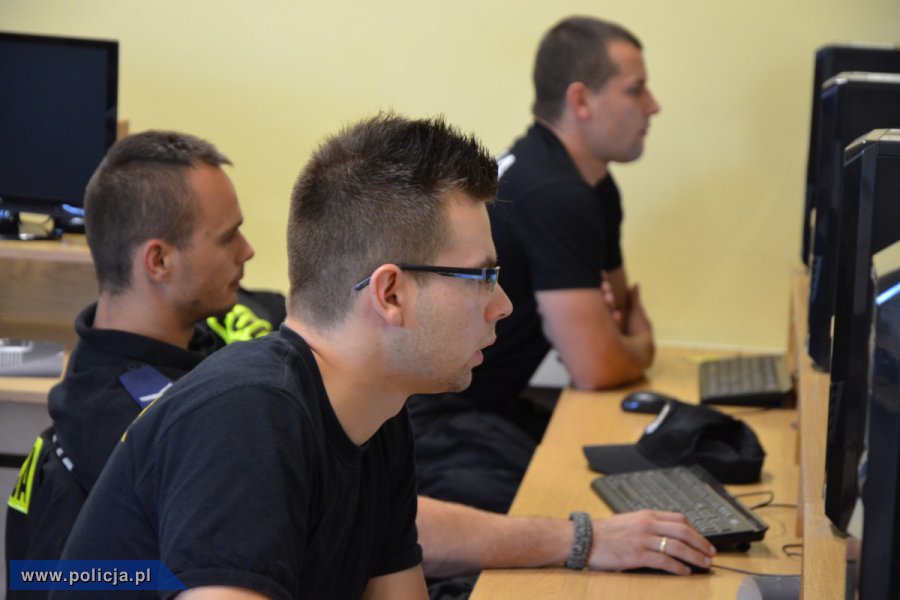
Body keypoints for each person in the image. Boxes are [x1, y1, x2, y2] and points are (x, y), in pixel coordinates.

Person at [55, 114, 514, 599]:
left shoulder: (380, 415)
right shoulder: (247, 417)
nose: (502, 305)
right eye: (481, 278)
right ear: (391, 294)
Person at [409, 15, 661, 516]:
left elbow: (613, 321)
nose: (653, 105)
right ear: (581, 100)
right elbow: (599, 363)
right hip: (432, 418)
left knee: (630, 473)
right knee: (572, 510)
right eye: (636, 90)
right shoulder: (556, 194)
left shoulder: (586, 184)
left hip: (481, 402)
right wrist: (642, 346)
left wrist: (617, 340)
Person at [4, 131, 263, 598]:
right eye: (228, 237)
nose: (247, 251)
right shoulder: (141, 435)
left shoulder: (175, 358)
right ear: (158, 260)